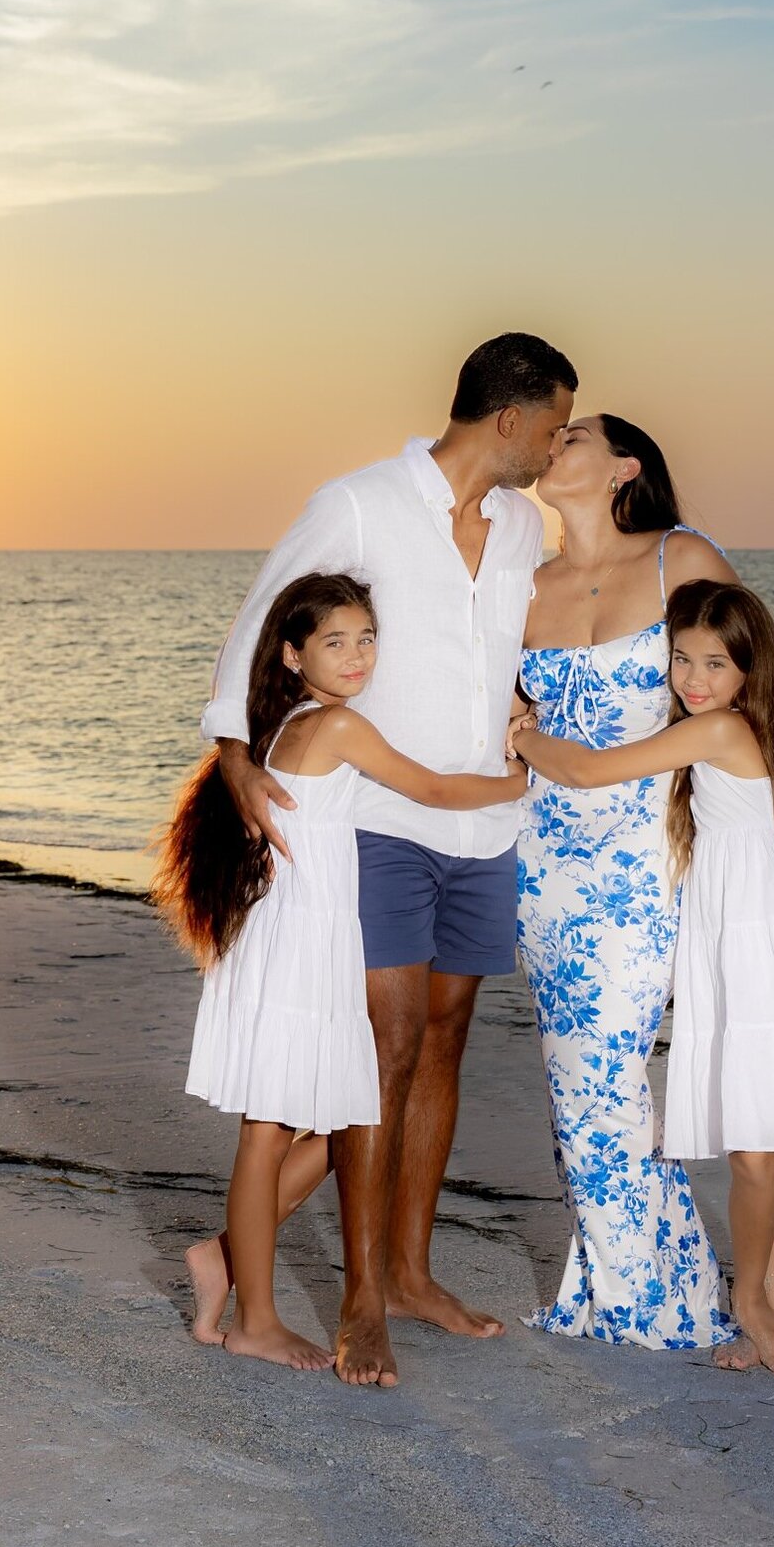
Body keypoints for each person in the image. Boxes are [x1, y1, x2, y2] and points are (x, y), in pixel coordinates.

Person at [200, 333, 577, 1386]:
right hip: (382, 822)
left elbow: (500, 655)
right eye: (553, 429)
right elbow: (261, 622)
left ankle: (410, 1273)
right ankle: (361, 1300)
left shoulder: (519, 527)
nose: (555, 448)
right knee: (387, 1046)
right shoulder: (359, 505)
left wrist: (525, 711)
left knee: (444, 1042)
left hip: (484, 830)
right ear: (510, 419)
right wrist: (235, 760)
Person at [513, 578, 774, 1375]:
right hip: (770, 943)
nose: (692, 678)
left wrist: (526, 736)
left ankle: (749, 1302)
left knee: (754, 1149)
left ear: (750, 669)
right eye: (681, 659)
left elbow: (588, 772)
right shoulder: (758, 729)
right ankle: (773, 1311)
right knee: (765, 1144)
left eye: (715, 663)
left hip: (753, 950)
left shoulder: (719, 730)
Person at [154, 573, 528, 1371]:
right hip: (303, 947)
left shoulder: (286, 724)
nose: (358, 657)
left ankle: (223, 1263)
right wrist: (521, 779)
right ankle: (254, 1319)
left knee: (341, 1113)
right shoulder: (335, 725)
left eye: (367, 639)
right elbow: (432, 788)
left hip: (298, 939)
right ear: (293, 656)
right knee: (271, 1130)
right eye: (335, 642)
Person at [512, 414, 741, 1348]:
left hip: (642, 860)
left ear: (623, 468)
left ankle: (641, 1304)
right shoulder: (527, 586)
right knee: (579, 1084)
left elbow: (746, 685)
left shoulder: (680, 559)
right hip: (540, 861)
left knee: (605, 1078)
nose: (553, 442)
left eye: (574, 436)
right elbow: (497, 714)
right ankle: (661, 1287)